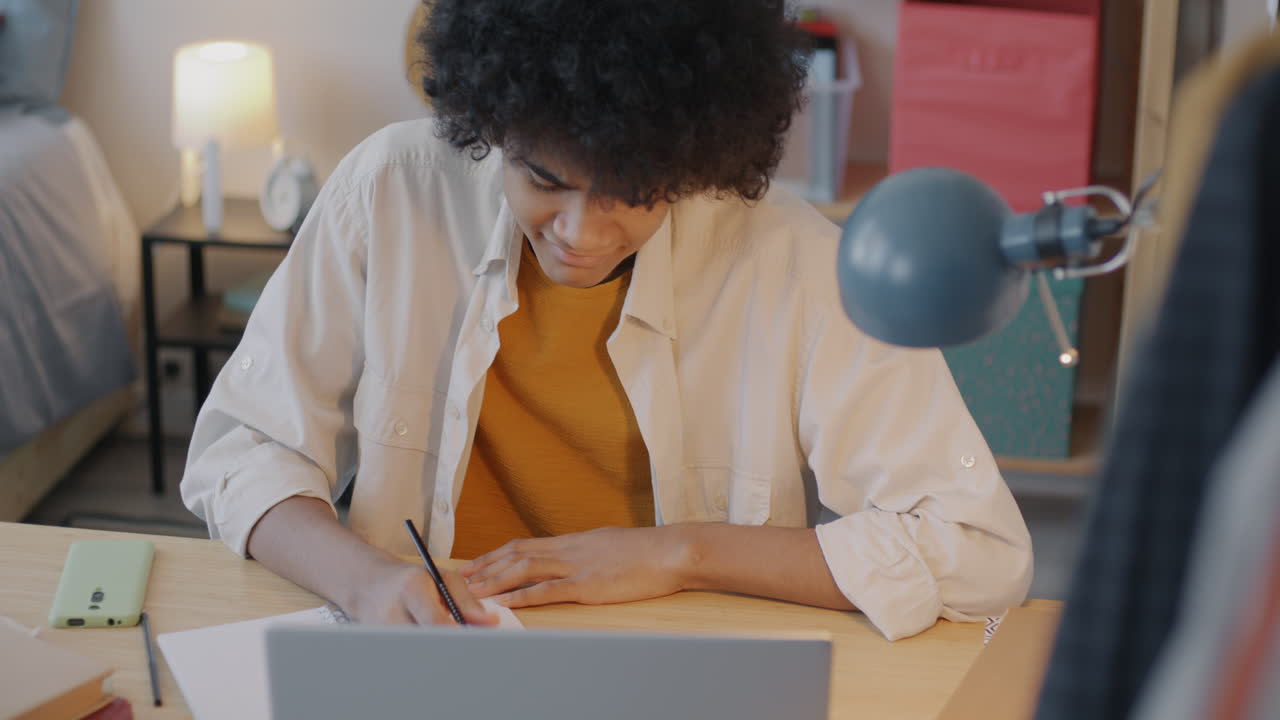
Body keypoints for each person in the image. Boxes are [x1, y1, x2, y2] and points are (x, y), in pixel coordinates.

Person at [181, 0, 1032, 641]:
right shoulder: (391, 190)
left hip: (677, 665)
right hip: (427, 655)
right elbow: (241, 449)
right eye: (543, 179)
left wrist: (678, 552)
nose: (581, 234)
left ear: (696, 155)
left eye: (631, 190)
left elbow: (977, 549)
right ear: (491, 122)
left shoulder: (794, 259)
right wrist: (364, 583)